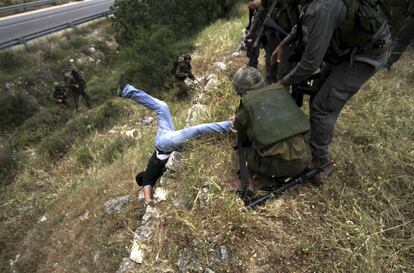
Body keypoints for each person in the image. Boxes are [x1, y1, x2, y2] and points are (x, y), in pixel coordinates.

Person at [271, 0, 392, 183]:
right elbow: (303, 24)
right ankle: (313, 143)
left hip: (366, 55)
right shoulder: (313, 5)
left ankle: (321, 163)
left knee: (323, 106)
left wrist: (282, 83)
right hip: (349, 48)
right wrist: (283, 44)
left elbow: (311, 63)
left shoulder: (322, 7)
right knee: (318, 90)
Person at [117, 74, 233, 204]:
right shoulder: (149, 169)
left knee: (195, 130)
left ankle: (228, 125)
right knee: (162, 107)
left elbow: (147, 188)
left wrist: (149, 200)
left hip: (164, 144)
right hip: (162, 138)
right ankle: (127, 91)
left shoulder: (147, 176)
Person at [231, 66, 312, 193]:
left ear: (239, 90)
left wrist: (238, 127)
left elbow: (244, 140)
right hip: (304, 158)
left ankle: (246, 180)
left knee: (241, 147)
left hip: (276, 168)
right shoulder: (280, 92)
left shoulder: (244, 111)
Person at [247, 0, 301, 82]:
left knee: (284, 71)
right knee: (270, 68)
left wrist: (261, 2)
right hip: (272, 34)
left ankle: (284, 92)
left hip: (289, 34)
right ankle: (271, 92)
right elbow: (260, 12)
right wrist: (252, 31)